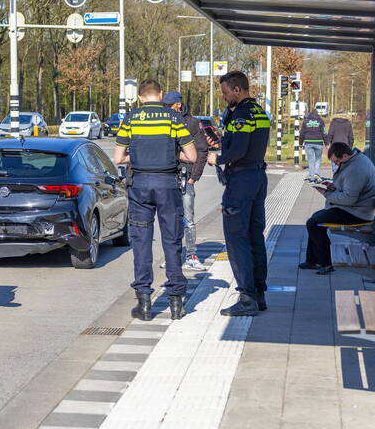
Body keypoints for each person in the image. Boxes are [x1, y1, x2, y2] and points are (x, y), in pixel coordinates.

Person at [114, 79, 197, 321]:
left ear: (140, 97)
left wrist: (139, 155)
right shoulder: (173, 118)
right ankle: (176, 303)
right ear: (160, 95)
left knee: (141, 243)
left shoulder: (131, 119)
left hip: (139, 186)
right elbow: (192, 156)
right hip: (168, 186)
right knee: (172, 241)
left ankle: (144, 303)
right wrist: (170, 153)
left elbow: (118, 157)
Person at [206, 71, 270, 316]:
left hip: (241, 181)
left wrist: (217, 158)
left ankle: (246, 297)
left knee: (236, 239)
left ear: (237, 89)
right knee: (255, 237)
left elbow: (239, 151)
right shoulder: (259, 112)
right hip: (258, 177)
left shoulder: (241, 115)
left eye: (225, 92)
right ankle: (259, 294)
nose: (223, 97)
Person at [301, 142, 375, 275]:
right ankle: (313, 260)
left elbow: (349, 199)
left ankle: (326, 263)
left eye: (336, 161)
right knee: (315, 220)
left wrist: (327, 193)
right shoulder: (355, 160)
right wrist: (334, 187)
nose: (336, 164)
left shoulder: (355, 170)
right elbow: (349, 188)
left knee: (314, 223)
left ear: (345, 156)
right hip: (355, 208)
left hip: (357, 213)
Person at [163, 91, 208, 272]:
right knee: (170, 220)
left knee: (188, 219)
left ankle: (191, 256)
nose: (166, 108)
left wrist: (193, 177)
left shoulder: (192, 123)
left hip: (185, 177)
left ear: (178, 105)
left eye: (169, 105)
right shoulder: (163, 121)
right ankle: (172, 258)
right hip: (166, 177)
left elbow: (202, 150)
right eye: (165, 105)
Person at [300, 109, 326, 182]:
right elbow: (324, 132)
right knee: (318, 159)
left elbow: (302, 133)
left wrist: (300, 143)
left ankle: (312, 177)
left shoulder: (305, 121)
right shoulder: (320, 121)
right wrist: (326, 143)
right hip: (318, 142)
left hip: (308, 142)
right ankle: (316, 173)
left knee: (310, 160)